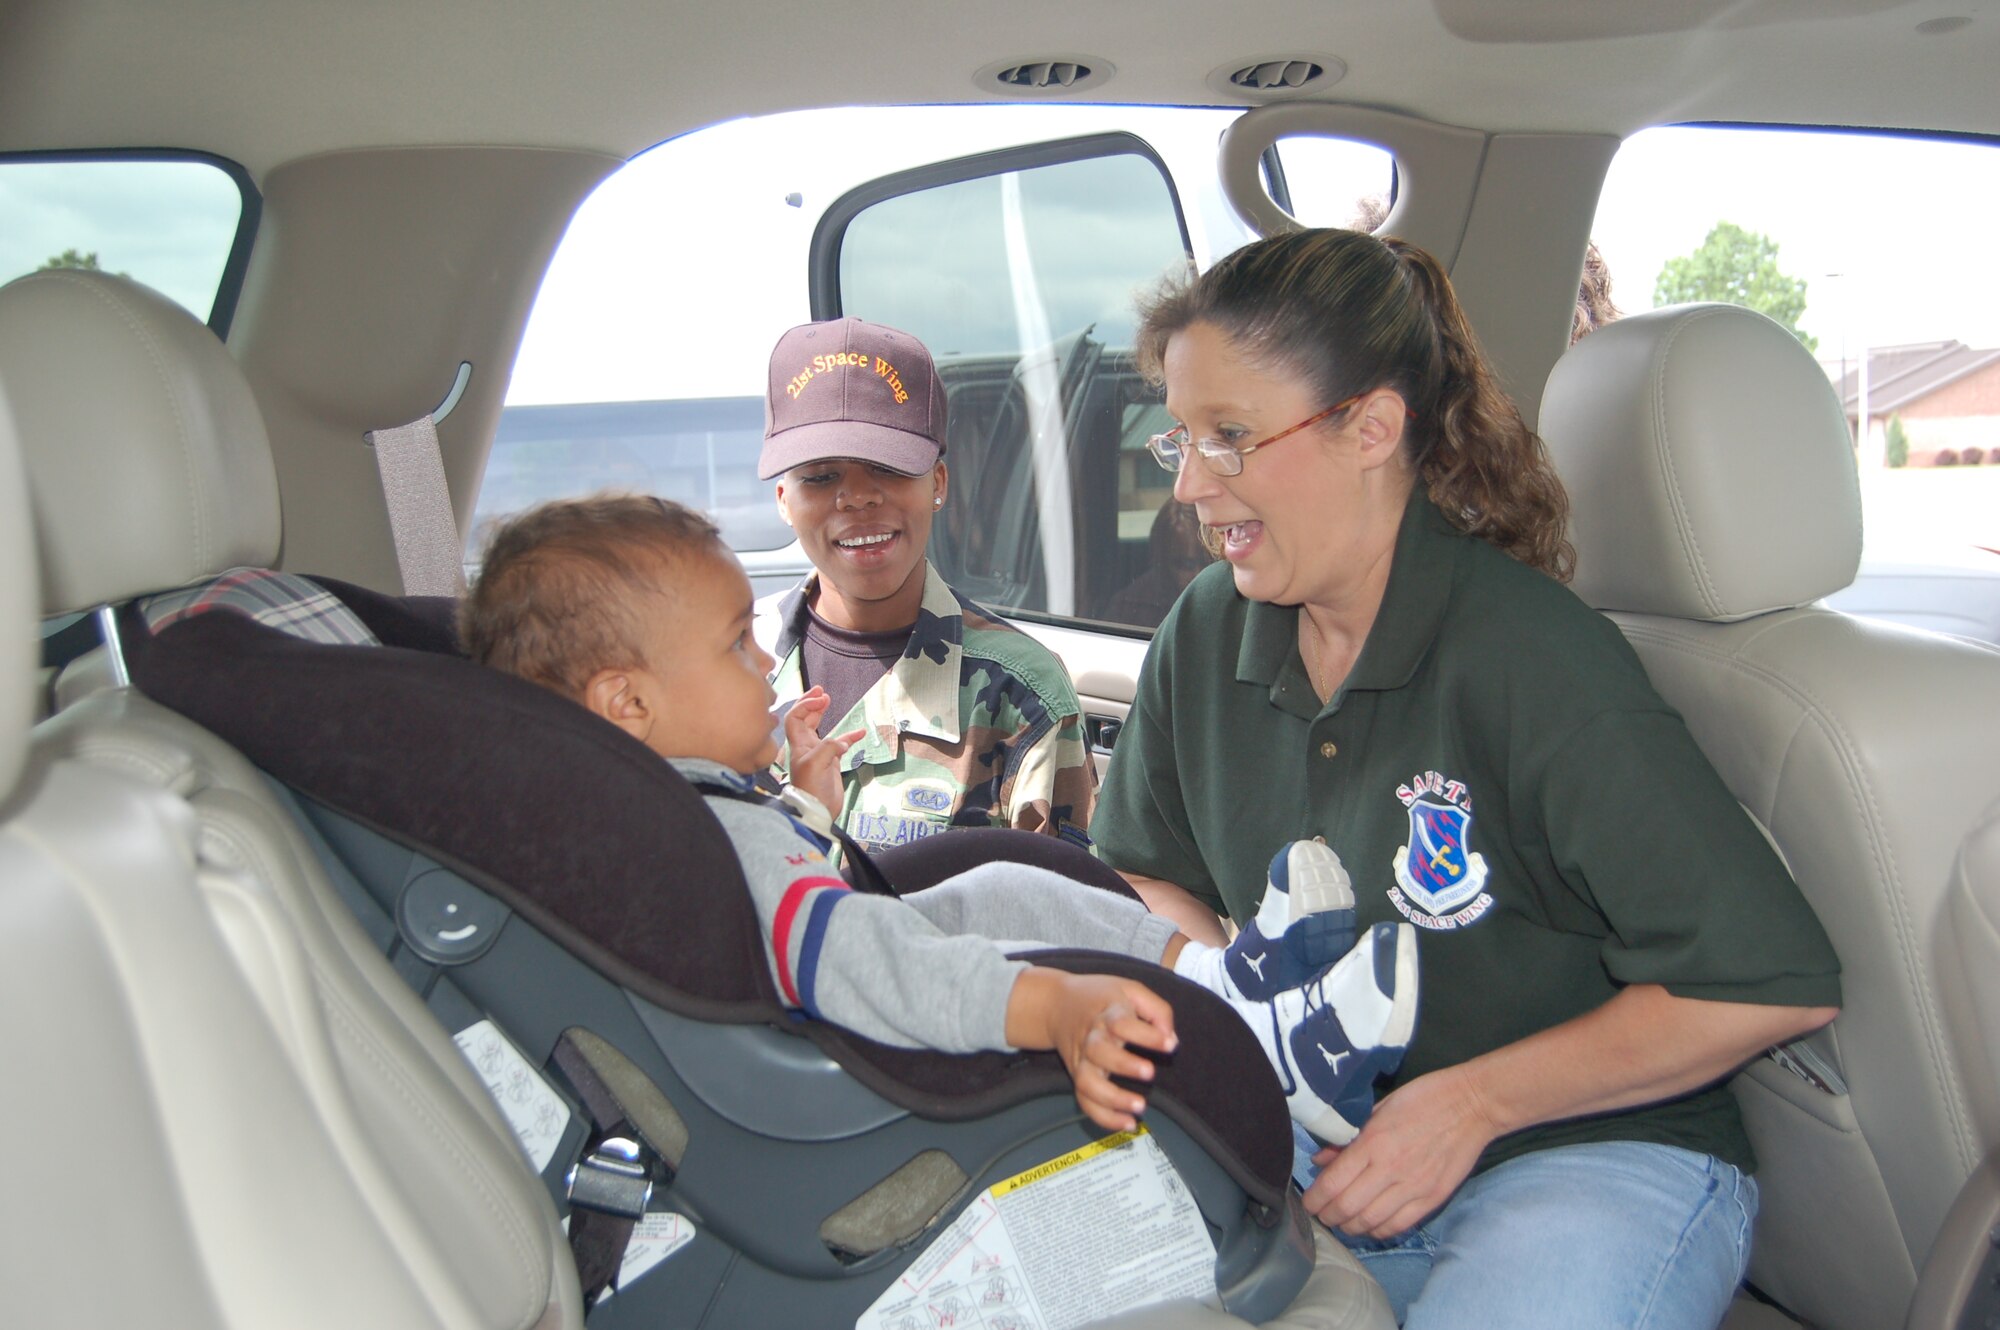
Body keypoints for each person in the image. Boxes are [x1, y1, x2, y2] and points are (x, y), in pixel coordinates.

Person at [1088, 228, 1843, 1329]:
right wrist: (1249, 1023)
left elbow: (1766, 980)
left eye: (1231, 438)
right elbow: (1141, 870)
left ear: (1371, 428)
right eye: (1180, 441)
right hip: (1316, 1148)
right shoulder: (1207, 633)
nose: (1193, 486)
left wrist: (1469, 1104)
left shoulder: (1530, 655)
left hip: (1581, 1158)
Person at [458, 491, 1420, 1144]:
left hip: (819, 1012)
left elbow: (776, 909)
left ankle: (1231, 983)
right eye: (731, 645)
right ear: (628, 705)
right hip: (853, 1073)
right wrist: (1054, 1006)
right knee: (1020, 938)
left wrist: (805, 807)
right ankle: (1263, 1043)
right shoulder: (713, 837)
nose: (761, 662)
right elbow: (858, 960)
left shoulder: (664, 815)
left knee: (1004, 883)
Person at [753, 317, 1095, 853]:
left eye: (887, 469)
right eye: (820, 476)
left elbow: (1064, 911)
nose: (858, 497)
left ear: (937, 482)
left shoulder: (1019, 694)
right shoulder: (729, 665)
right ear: (782, 500)